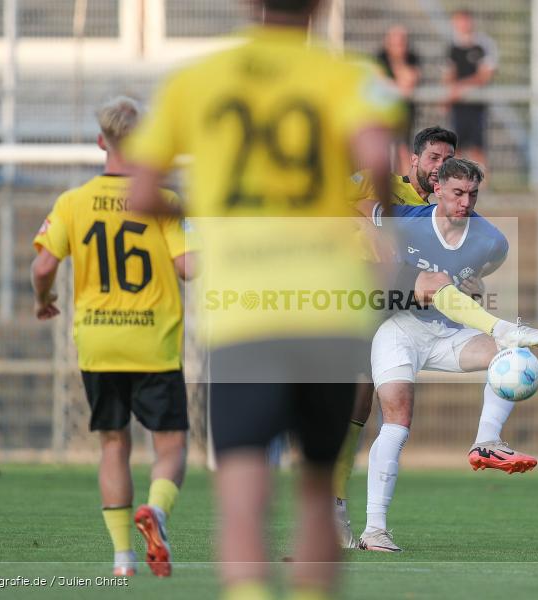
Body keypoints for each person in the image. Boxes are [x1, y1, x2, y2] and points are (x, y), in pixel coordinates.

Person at [123, 1, 402, 597]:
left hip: (245, 313)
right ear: (321, 8)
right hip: (327, 309)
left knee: (244, 491)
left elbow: (141, 193)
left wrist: (203, 210)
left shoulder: (195, 80)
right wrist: (384, 215)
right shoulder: (350, 75)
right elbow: (379, 155)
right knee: (315, 485)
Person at [354, 158, 538, 552]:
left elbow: (487, 267)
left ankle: (486, 440)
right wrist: (375, 239)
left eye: (473, 194)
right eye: (457, 193)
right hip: (399, 330)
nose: (466, 202)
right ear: (437, 192)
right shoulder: (407, 218)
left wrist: (474, 283)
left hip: (445, 333)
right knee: (397, 422)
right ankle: (375, 530)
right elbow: (363, 207)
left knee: (513, 354)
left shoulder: (491, 239)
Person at [31, 96, 191, 577]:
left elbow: (42, 265)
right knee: (170, 447)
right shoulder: (162, 202)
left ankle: (122, 560)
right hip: (153, 343)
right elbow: (188, 268)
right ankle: (156, 511)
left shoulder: (73, 202)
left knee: (113, 445)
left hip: (98, 343)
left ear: (102, 141)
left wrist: (44, 299)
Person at [333, 125, 457, 548]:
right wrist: (368, 223)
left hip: (394, 309)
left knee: (375, 407)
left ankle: (365, 522)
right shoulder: (381, 183)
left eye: (448, 160)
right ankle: (333, 509)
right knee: (355, 402)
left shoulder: (440, 215)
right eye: (434, 158)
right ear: (416, 161)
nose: (441, 167)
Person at [443, 9, 498, 172]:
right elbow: (447, 74)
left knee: (477, 147)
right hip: (458, 105)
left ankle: (481, 185)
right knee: (456, 147)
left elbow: (484, 76)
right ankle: (459, 184)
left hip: (476, 104)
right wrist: (448, 95)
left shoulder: (483, 44)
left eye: (465, 21)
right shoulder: (452, 47)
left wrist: (460, 87)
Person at [375, 25, 421, 170]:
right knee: (386, 149)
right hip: (384, 111)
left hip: (405, 111)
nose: (398, 45)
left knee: (403, 148)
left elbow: (410, 80)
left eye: (401, 41)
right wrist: (398, 86)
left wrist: (398, 59)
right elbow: (380, 79)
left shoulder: (412, 57)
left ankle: (404, 185)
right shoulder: (379, 57)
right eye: (394, 42)